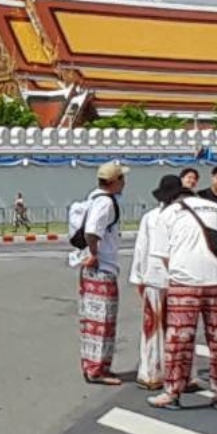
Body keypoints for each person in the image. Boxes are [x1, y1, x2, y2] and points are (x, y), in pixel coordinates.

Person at [148, 174, 217, 409]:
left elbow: (163, 256)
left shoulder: (168, 214)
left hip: (185, 282)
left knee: (179, 340)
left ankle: (173, 392)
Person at [68, 162, 128, 385]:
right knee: (103, 320)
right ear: (114, 182)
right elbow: (93, 231)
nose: (124, 183)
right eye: (122, 178)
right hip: (102, 267)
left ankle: (92, 365)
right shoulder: (105, 203)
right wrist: (94, 253)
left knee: (91, 319)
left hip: (93, 267)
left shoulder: (94, 198)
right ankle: (98, 369)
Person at [128, 177, 184, 390]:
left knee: (152, 328)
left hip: (154, 277)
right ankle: (180, 373)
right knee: (180, 328)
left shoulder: (151, 217)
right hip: (179, 277)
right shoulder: (183, 216)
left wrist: (139, 278)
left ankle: (151, 373)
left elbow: (141, 249)